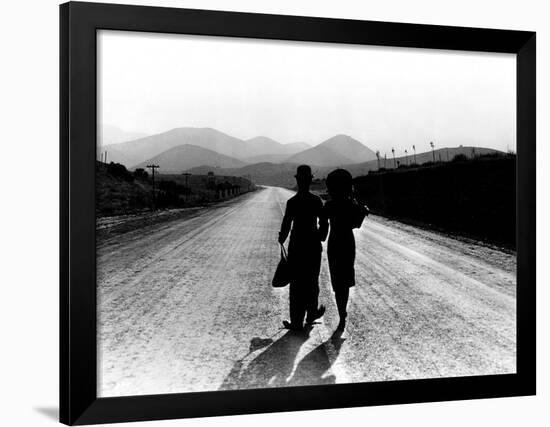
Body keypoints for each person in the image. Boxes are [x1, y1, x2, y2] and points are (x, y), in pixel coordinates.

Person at [278, 165, 327, 331]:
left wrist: (282, 238)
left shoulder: (292, 202)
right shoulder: (316, 201)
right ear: (310, 181)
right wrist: (321, 235)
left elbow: (286, 224)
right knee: (312, 281)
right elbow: (324, 222)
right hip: (313, 246)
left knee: (296, 284)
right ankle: (311, 313)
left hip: (297, 246)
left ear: (298, 181)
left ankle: (296, 321)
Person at [322, 169, 369, 331]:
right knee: (346, 278)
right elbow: (356, 224)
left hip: (334, 243)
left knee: (337, 280)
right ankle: (343, 313)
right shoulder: (352, 205)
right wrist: (361, 209)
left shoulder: (329, 205)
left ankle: (341, 312)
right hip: (348, 243)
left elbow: (322, 232)